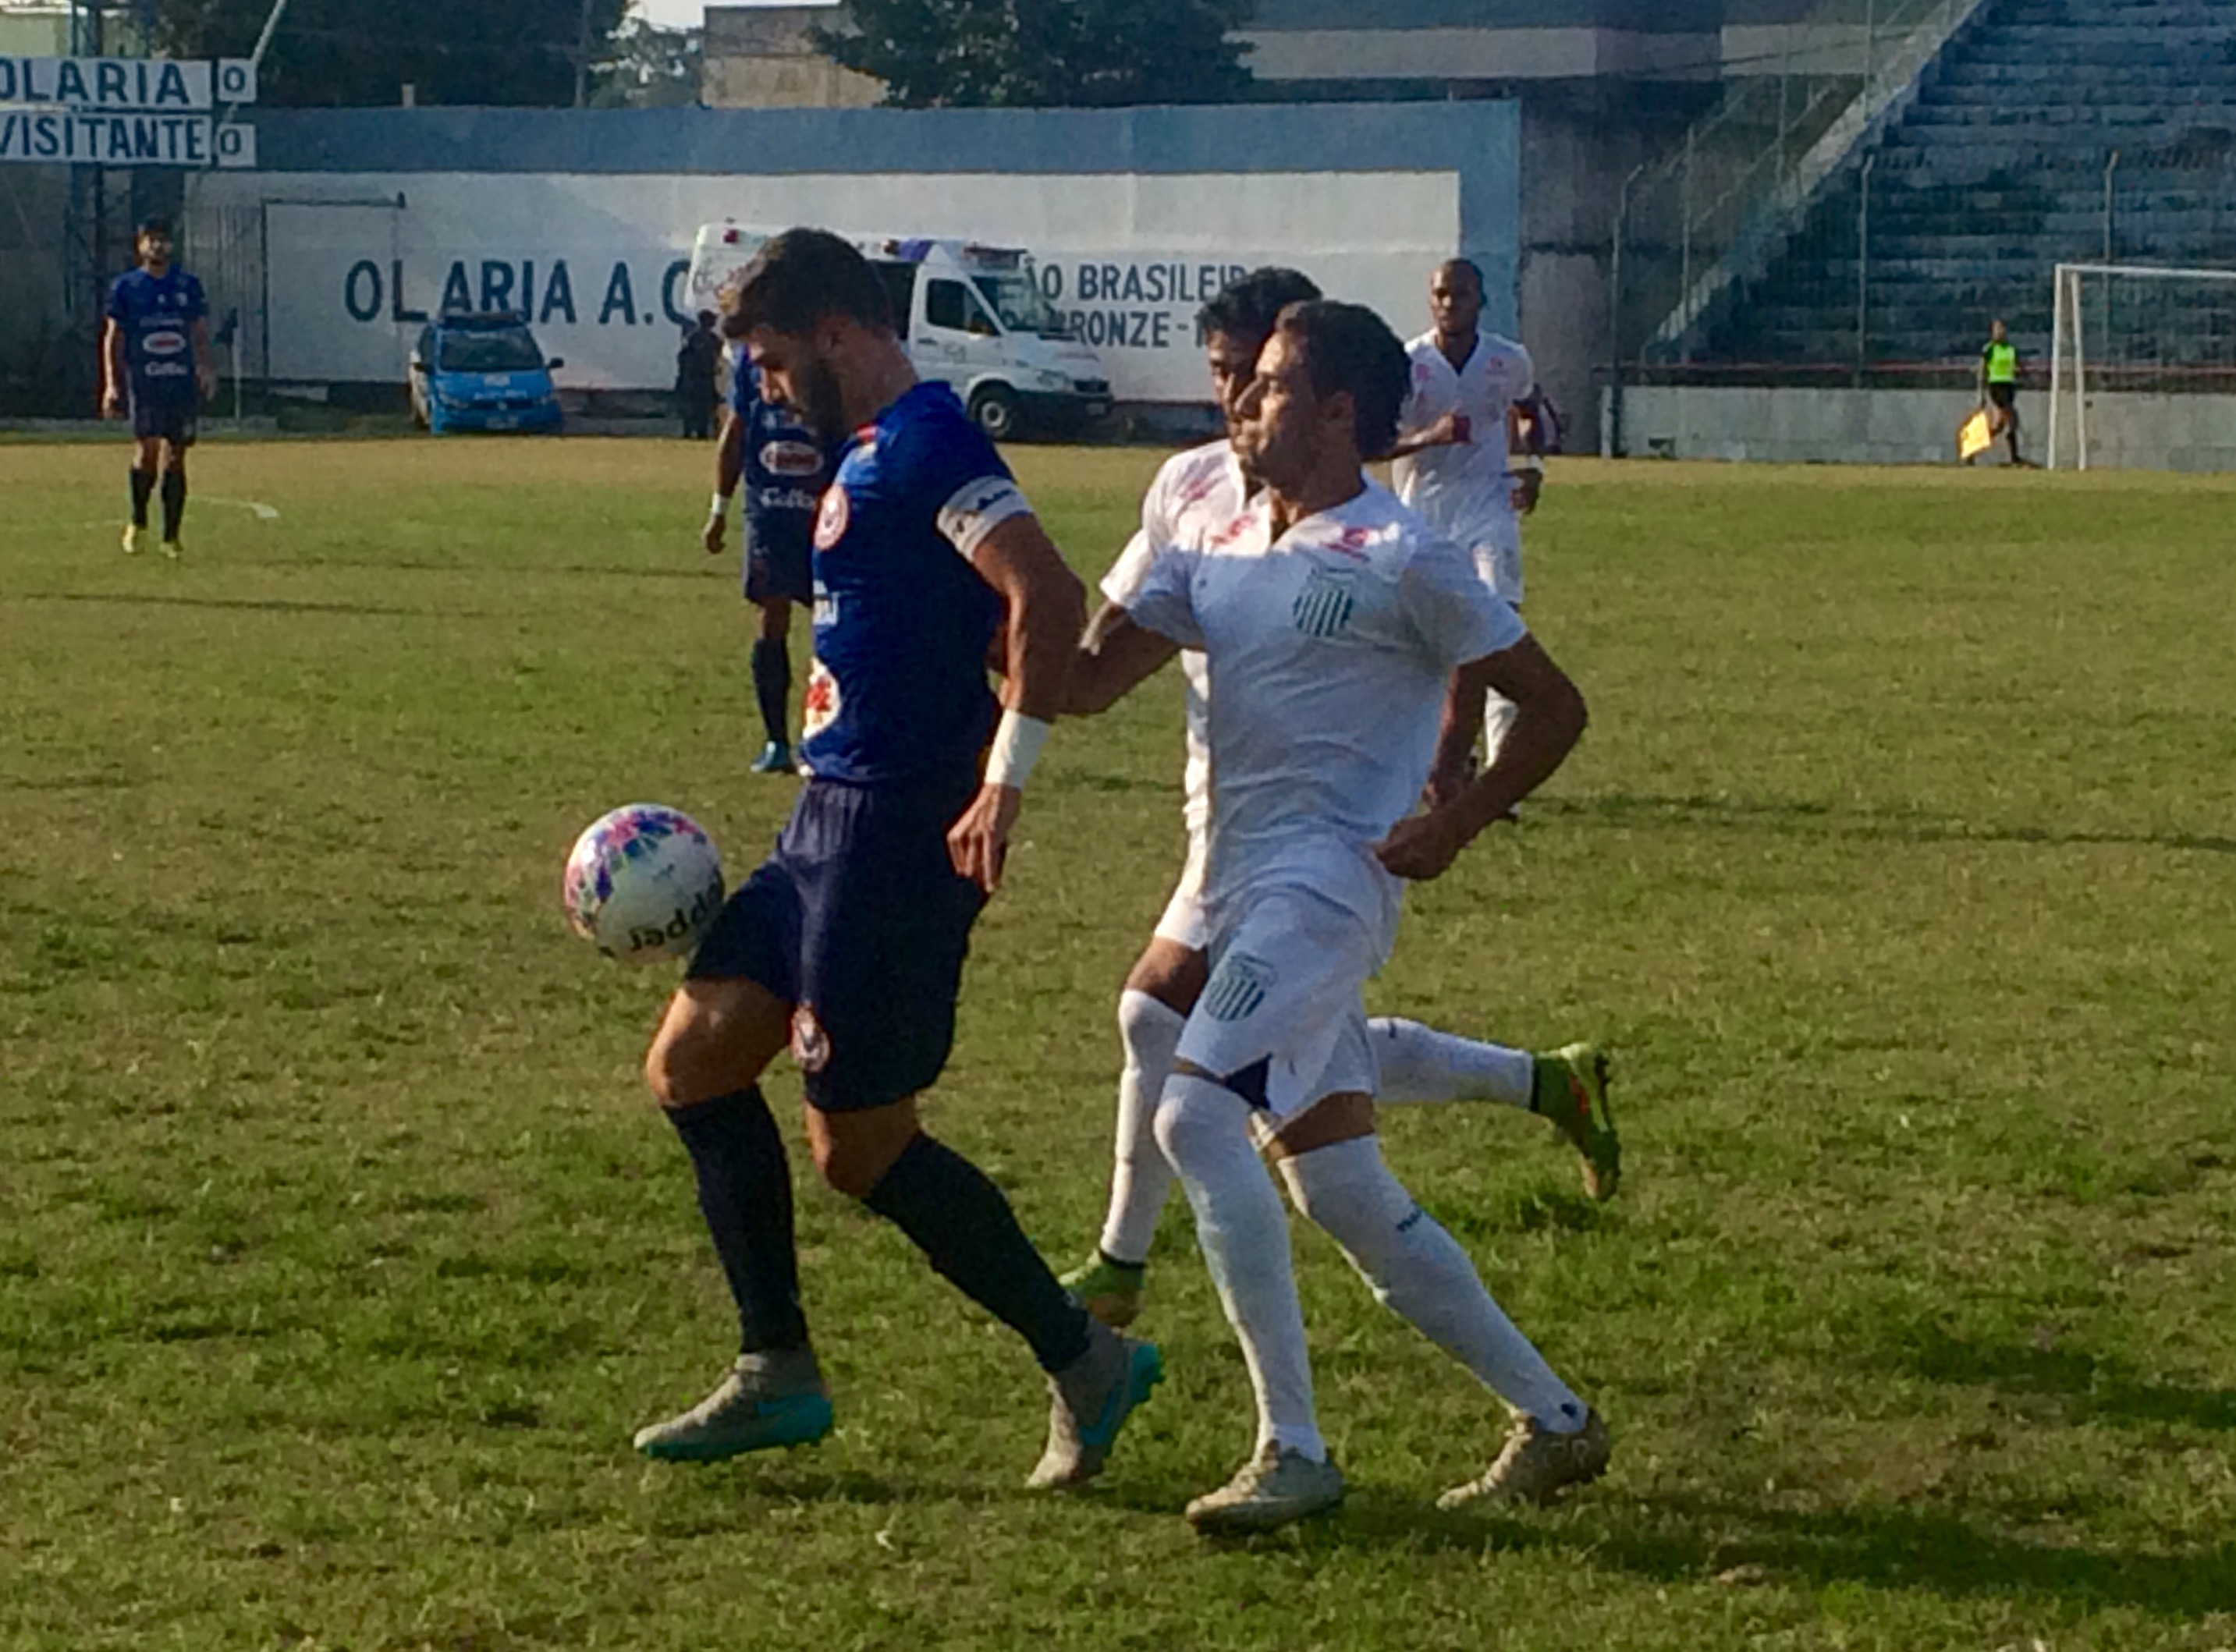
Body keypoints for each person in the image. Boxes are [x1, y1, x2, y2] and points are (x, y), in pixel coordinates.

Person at [630, 229, 1160, 1493]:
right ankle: (775, 1366)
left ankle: (1084, 1355)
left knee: (859, 1146)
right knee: (692, 1063)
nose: (765, 387)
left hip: (894, 836)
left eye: (771, 361)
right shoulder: (869, 449)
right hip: (821, 819)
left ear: (835, 332)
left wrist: (1003, 779)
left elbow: (1043, 593)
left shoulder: (929, 439)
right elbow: (966, 625)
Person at [1069, 299, 1610, 1533]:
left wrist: (1454, 819)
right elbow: (1087, 683)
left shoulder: (1401, 555)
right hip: (1233, 886)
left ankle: (1292, 1447)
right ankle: (1556, 1419)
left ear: (1332, 413)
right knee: (1340, 1187)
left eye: (1265, 385)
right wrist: (999, 606)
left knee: (1193, 1111)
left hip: (1323, 892)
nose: (1240, 401)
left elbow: (1555, 706)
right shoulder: (1223, 540)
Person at [1388, 258, 1545, 778]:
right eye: (1441, 294)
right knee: (1428, 646)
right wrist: (1428, 436)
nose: (1450, 304)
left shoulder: (1508, 359)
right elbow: (1377, 441)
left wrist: (1532, 466)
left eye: (1461, 294)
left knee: (1499, 627)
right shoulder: (1408, 363)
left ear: (1481, 300)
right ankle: (1441, 759)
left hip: (1488, 506)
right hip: (1424, 513)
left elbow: (1529, 409)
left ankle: (1503, 772)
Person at [705, 327, 829, 775]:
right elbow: (736, 431)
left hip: (823, 512)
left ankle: (830, 736)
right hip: (770, 512)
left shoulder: (821, 350)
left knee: (835, 620)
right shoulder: (747, 359)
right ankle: (776, 740)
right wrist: (719, 509)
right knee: (771, 615)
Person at [101, 217, 215, 559]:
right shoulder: (126, 287)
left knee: (177, 455)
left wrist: (205, 367)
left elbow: (198, 331)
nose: (157, 246)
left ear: (171, 246)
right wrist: (111, 383)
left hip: (179, 381)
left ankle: (171, 537)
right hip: (145, 381)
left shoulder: (187, 285)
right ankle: (138, 522)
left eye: (162, 240)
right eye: (150, 240)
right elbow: (113, 337)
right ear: (139, 246)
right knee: (147, 451)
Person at [1975, 318, 2028, 466]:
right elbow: (1982, 371)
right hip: (1996, 386)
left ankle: (1974, 448)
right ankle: (2014, 457)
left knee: (1999, 425)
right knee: (2012, 420)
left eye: (2002, 329)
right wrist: (1981, 393)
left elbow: (2017, 367)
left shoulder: (2011, 349)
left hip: (2008, 386)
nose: (2000, 332)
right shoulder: (1989, 349)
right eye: (1997, 330)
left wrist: (2019, 371)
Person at [676, 310, 721, 441]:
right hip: (699, 378)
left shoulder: (695, 337)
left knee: (697, 407)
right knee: (699, 406)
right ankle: (696, 432)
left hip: (699, 378)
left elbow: (682, 358)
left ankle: (694, 432)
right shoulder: (704, 339)